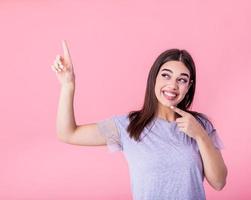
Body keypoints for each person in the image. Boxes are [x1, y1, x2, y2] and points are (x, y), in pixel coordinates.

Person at [51, 40, 228, 200]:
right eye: (166, 75)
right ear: (154, 78)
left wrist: (200, 135)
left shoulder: (200, 126)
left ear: (188, 86)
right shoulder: (128, 125)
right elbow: (68, 134)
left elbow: (219, 182)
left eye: (181, 80)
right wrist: (68, 85)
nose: (173, 85)